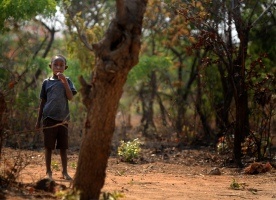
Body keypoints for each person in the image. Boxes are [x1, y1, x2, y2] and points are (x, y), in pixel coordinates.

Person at [35, 55, 77, 180]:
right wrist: (38, 121)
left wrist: (64, 82)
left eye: (61, 65)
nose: (58, 67)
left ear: (65, 67)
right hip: (49, 118)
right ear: (50, 66)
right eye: (55, 65)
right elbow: (42, 102)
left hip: (63, 119)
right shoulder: (46, 83)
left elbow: (70, 97)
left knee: (63, 147)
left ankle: (64, 172)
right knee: (48, 147)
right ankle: (48, 172)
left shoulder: (68, 81)